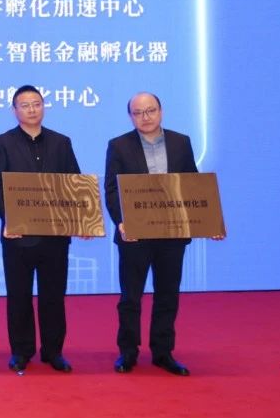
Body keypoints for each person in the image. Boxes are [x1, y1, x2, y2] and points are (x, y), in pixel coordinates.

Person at [105, 92, 221, 376]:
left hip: (172, 233)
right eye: (138, 112)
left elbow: (193, 185)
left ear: (161, 111)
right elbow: (112, 189)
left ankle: (163, 352)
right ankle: (128, 352)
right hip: (134, 235)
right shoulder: (119, 145)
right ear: (130, 116)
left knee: (167, 294)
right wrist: (121, 221)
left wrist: (210, 223)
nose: (145, 117)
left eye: (150, 110)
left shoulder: (181, 142)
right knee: (130, 297)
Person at [0, 85, 81, 373]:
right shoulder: (2, 143)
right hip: (18, 236)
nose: (31, 109)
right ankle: (21, 351)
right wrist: (10, 219)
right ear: (14, 110)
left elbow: (74, 183)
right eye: (25, 105)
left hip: (55, 235)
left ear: (44, 107)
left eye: (36, 104)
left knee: (54, 296)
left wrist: (81, 220)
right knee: (19, 296)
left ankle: (54, 352)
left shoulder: (61, 143)